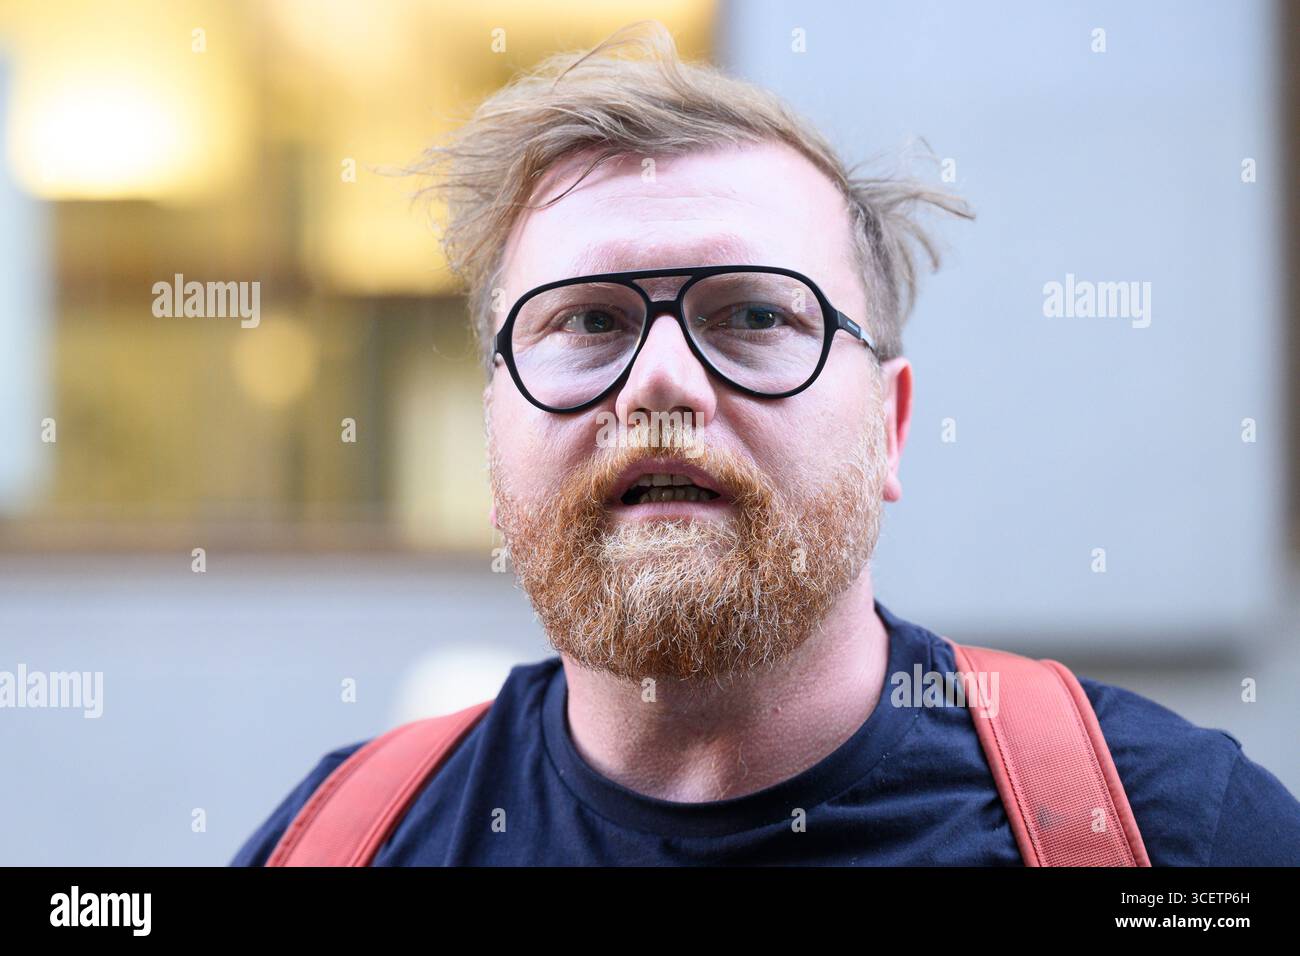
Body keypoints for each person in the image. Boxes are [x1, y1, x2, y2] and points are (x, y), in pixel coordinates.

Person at [232, 22, 1300, 866]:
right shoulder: (333, 843)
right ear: (491, 423)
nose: (659, 381)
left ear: (889, 425)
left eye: (751, 315)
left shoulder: (1170, 837)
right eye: (588, 320)